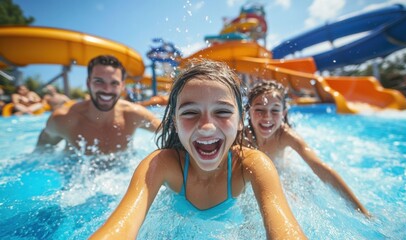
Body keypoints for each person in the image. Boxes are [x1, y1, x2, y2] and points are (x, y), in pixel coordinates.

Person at [90, 59, 307, 239]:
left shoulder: (252, 164)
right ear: (174, 121)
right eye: (190, 112)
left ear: (241, 121)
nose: (206, 127)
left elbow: (285, 231)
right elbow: (122, 225)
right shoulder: (162, 164)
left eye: (222, 112)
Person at [245, 80, 370, 216]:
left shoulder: (286, 136)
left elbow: (320, 167)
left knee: (294, 199)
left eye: (275, 110)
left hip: (283, 172)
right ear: (248, 111)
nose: (267, 117)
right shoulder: (242, 138)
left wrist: (361, 211)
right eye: (259, 109)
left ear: (284, 113)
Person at [35, 55, 161, 155]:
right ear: (88, 83)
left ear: (122, 86)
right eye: (99, 81)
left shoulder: (134, 114)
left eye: (114, 83)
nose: (107, 89)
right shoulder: (63, 119)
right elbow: (42, 151)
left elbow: (169, 132)